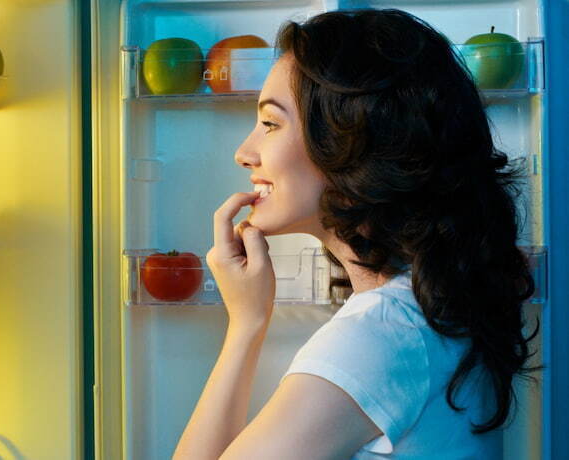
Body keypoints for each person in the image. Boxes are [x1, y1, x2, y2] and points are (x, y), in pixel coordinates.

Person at [173, 8, 539, 459]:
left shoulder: (378, 337)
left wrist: (246, 325)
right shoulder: (428, 308)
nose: (244, 153)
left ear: (351, 142)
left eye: (270, 123)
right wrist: (247, 321)